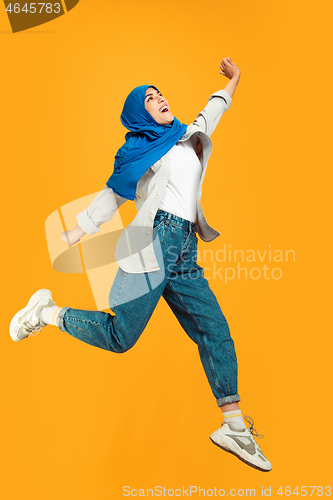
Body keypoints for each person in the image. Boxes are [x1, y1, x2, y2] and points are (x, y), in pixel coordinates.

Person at [9, 57, 272, 472]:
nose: (160, 99)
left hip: (184, 246)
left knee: (215, 328)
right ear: (137, 113)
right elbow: (114, 193)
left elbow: (215, 106)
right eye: (150, 99)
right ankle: (45, 312)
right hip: (153, 241)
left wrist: (235, 81)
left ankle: (234, 425)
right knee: (121, 336)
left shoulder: (188, 135)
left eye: (161, 93)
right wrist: (79, 230)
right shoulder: (137, 152)